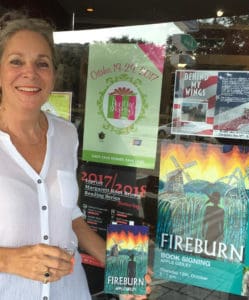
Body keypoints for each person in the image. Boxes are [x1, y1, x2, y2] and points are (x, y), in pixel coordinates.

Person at [0, 10, 151, 300]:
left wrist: (117, 261)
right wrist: (9, 260)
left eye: (42, 63)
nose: (30, 72)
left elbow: (70, 215)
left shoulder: (66, 134)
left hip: (69, 290)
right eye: (16, 61)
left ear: (54, 75)